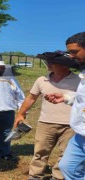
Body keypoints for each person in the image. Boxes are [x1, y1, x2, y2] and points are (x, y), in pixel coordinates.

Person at [14, 51, 80, 180]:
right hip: (46, 122)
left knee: (65, 153)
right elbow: (31, 98)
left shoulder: (79, 81)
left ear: (64, 65)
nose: (48, 64)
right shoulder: (41, 80)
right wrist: (20, 114)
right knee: (40, 152)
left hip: (70, 125)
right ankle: (35, 175)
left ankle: (58, 176)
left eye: (52, 62)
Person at [45, 32, 85, 180]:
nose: (71, 56)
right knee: (68, 167)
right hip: (80, 133)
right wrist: (66, 97)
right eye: (70, 52)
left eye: (74, 52)